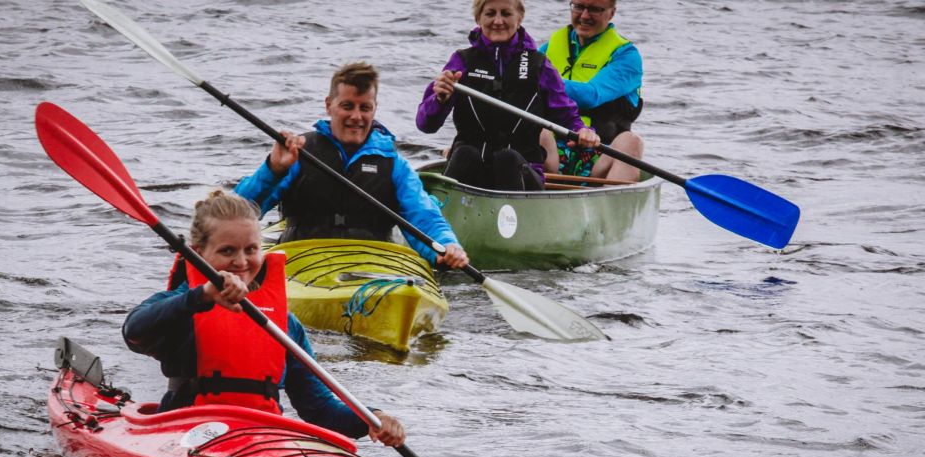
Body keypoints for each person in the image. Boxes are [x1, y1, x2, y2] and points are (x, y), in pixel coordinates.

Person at [122, 189, 405, 447]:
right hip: (187, 437)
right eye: (227, 251)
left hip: (262, 443)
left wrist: (370, 418)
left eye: (251, 249)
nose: (242, 262)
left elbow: (319, 409)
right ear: (198, 254)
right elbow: (134, 330)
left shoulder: (285, 324)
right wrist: (201, 296)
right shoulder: (183, 305)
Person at [234, 62, 468, 270]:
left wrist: (447, 245)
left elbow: (424, 216)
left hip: (374, 268)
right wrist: (273, 169)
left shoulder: (394, 165)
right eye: (347, 106)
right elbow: (238, 212)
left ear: (374, 109)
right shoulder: (297, 154)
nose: (356, 116)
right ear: (329, 105)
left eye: (364, 108)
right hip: (302, 265)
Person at [415, 0, 600, 191]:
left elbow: (566, 114)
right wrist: (439, 100)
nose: (498, 21)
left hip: (521, 171)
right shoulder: (462, 61)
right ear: (478, 18)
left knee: (506, 158)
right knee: (464, 153)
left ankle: (513, 218)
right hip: (472, 169)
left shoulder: (538, 65)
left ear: (519, 18)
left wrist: (584, 132)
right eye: (490, 14)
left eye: (505, 13)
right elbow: (425, 125)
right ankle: (439, 214)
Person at [538, 0, 644, 182]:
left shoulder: (626, 57)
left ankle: (611, 204)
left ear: (611, 13)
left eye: (594, 9)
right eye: (579, 7)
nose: (585, 16)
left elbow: (591, 96)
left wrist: (541, 79)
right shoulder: (548, 48)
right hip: (551, 155)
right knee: (535, 129)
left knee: (631, 142)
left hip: (600, 157)